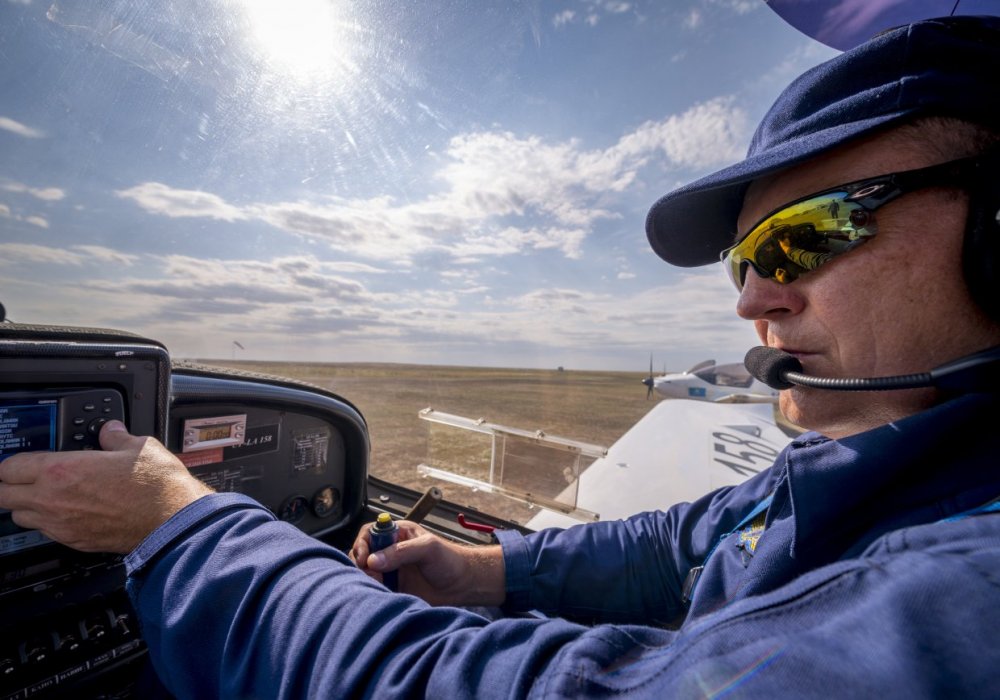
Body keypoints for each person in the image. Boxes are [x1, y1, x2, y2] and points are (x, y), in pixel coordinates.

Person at [2, 14, 1000, 698]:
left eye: (804, 237)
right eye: (746, 257)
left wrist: (179, 525)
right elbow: (683, 542)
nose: (748, 297)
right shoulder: (879, 465)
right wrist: (484, 566)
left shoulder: (962, 597)